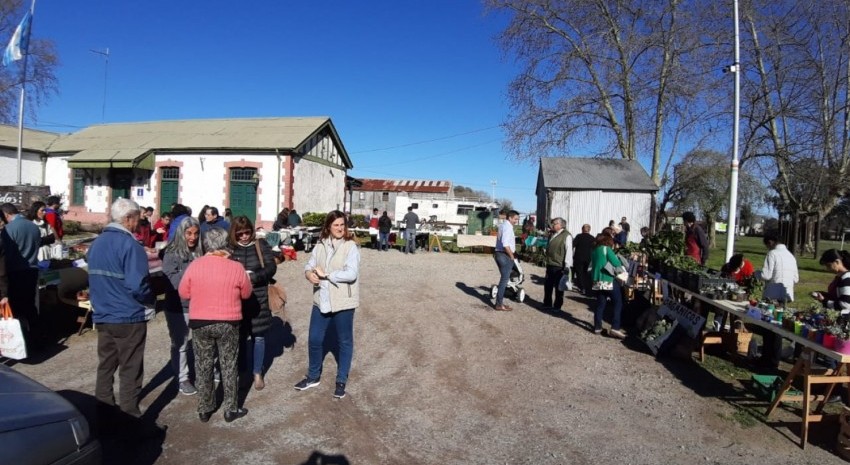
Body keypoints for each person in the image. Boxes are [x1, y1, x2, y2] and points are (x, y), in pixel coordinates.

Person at [88, 199, 154, 419]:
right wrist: (149, 296)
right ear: (128, 219)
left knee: (106, 366)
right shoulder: (130, 245)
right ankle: (130, 418)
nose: (139, 221)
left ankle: (104, 414)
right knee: (130, 369)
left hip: (103, 314)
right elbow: (139, 285)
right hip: (128, 315)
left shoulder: (97, 243)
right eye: (137, 217)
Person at [179, 227, 253, 423]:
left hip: (200, 321)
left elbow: (183, 293)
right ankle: (231, 408)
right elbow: (246, 293)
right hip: (228, 321)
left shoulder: (195, 265)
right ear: (224, 243)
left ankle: (205, 407)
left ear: (206, 245)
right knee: (229, 364)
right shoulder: (236, 267)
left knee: (203, 365)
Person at [294, 210, 361, 399]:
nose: (340, 228)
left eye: (342, 225)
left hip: (343, 301)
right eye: (336, 225)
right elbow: (310, 265)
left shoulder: (351, 247)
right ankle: (313, 376)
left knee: (344, 341)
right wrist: (309, 275)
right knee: (315, 339)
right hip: (321, 299)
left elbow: (351, 274)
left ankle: (341, 380)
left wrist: (327, 275)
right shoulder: (320, 245)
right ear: (328, 227)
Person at [228, 216, 277, 391]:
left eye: (247, 232)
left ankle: (257, 372)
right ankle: (242, 371)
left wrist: (254, 277)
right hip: (237, 299)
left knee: (259, 336)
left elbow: (271, 267)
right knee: (239, 337)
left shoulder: (260, 245)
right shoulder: (230, 249)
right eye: (240, 234)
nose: (244, 237)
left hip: (259, 296)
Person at [162, 216, 204, 396]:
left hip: (200, 304)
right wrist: (194, 270)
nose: (192, 237)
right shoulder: (171, 253)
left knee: (203, 341)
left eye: (195, 233)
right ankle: (182, 377)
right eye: (189, 233)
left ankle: (206, 371)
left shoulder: (201, 251)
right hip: (178, 306)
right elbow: (172, 282)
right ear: (182, 233)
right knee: (181, 344)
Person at [756, 233, 799, 370]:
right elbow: (796, 278)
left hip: (772, 294)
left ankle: (767, 360)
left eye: (767, 245)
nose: (767, 248)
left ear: (770, 242)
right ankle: (774, 360)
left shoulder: (772, 254)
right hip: (785, 295)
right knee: (778, 327)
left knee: (769, 329)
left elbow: (766, 275)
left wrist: (756, 273)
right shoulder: (791, 256)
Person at [1, 203, 42, 344]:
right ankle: (36, 338)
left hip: (15, 273)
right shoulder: (33, 226)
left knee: (15, 309)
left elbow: (6, 255)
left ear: (6, 215)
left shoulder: (8, 229)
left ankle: (19, 341)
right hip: (32, 270)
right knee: (30, 307)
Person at [589, 233, 626, 339]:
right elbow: (616, 263)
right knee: (618, 302)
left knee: (600, 304)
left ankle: (597, 327)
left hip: (597, 280)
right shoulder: (606, 249)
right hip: (608, 279)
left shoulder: (594, 250)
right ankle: (615, 327)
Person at [542, 217, 573, 311]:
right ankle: (547, 303)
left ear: (561, 225)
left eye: (554, 223)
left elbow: (569, 251)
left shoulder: (567, 236)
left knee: (559, 287)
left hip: (559, 265)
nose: (552, 225)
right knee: (548, 285)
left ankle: (557, 306)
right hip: (550, 263)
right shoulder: (553, 234)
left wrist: (567, 266)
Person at [493, 210, 519, 311]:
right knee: (504, 280)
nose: (516, 221)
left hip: (499, 254)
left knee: (504, 279)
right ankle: (499, 304)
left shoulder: (503, 225)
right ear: (510, 218)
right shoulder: (508, 227)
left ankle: (500, 303)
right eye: (515, 219)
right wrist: (512, 256)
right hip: (504, 255)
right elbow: (505, 244)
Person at [813, 249, 850, 314]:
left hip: (844, 319)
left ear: (837, 262)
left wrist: (824, 301)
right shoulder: (840, 277)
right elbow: (836, 297)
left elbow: (845, 304)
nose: (827, 269)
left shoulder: (846, 278)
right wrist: (822, 294)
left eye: (829, 265)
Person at [572, 224, 595, 296]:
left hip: (579, 257)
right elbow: (594, 248)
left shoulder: (579, 236)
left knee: (579, 273)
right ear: (589, 230)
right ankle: (586, 287)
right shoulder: (592, 238)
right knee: (586, 273)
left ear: (582, 229)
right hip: (588, 258)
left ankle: (581, 287)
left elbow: (573, 245)